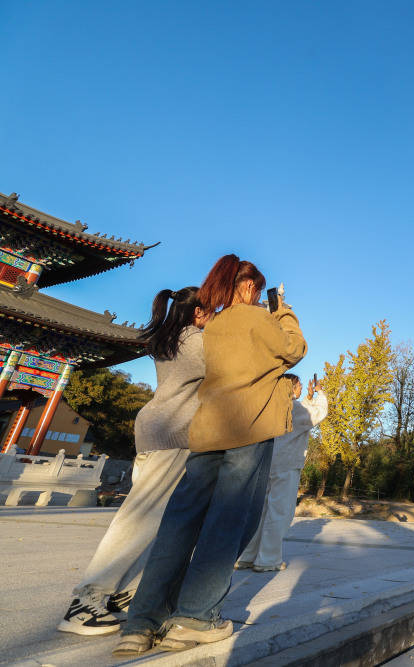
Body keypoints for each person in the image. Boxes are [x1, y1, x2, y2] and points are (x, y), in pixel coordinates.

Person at [115, 255, 306, 656]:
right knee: (230, 521)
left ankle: (141, 623)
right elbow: (295, 349)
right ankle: (194, 618)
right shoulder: (257, 318)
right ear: (249, 287)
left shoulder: (211, 325)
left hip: (206, 432)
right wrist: (283, 310)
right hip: (248, 427)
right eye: (257, 289)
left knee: (180, 522)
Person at [58, 288, 208, 636]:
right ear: (199, 313)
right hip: (171, 434)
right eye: (212, 310)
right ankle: (85, 601)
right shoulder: (195, 341)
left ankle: (117, 594)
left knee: (154, 520)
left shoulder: (170, 337)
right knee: (139, 519)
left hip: (156, 430)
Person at [236, 374, 327, 572]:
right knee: (279, 512)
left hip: (267, 463)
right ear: (291, 388)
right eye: (299, 385)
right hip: (286, 465)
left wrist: (308, 398)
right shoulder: (293, 407)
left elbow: (301, 414)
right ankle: (268, 560)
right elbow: (318, 413)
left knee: (260, 512)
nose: (302, 388)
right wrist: (320, 393)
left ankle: (246, 556)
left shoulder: (273, 405)